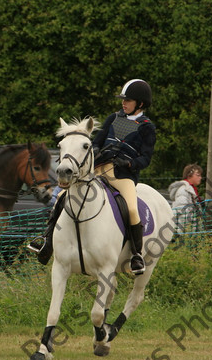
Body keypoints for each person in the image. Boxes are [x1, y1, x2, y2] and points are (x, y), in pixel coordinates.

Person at [29, 79, 155, 275]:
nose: (123, 103)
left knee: (131, 208)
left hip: (122, 176)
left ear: (140, 104)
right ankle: (46, 242)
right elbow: (96, 142)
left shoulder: (147, 126)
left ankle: (136, 255)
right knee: (61, 198)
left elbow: (146, 158)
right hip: (97, 171)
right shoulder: (113, 118)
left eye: (128, 100)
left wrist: (130, 163)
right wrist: (94, 150)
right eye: (123, 100)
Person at [168, 164, 204, 233]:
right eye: (198, 175)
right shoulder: (184, 190)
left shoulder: (191, 189)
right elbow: (182, 213)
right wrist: (185, 233)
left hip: (190, 230)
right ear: (189, 175)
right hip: (186, 232)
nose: (200, 178)